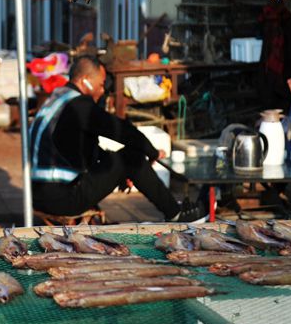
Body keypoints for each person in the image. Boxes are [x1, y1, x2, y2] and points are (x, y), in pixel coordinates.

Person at [28, 55, 204, 223]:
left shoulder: (58, 97)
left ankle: (172, 208)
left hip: (38, 195)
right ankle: (175, 213)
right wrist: (151, 151)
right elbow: (120, 130)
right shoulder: (79, 106)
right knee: (130, 157)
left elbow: (86, 150)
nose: (102, 90)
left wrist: (120, 173)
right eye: (101, 84)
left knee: (119, 160)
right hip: (62, 198)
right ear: (85, 81)